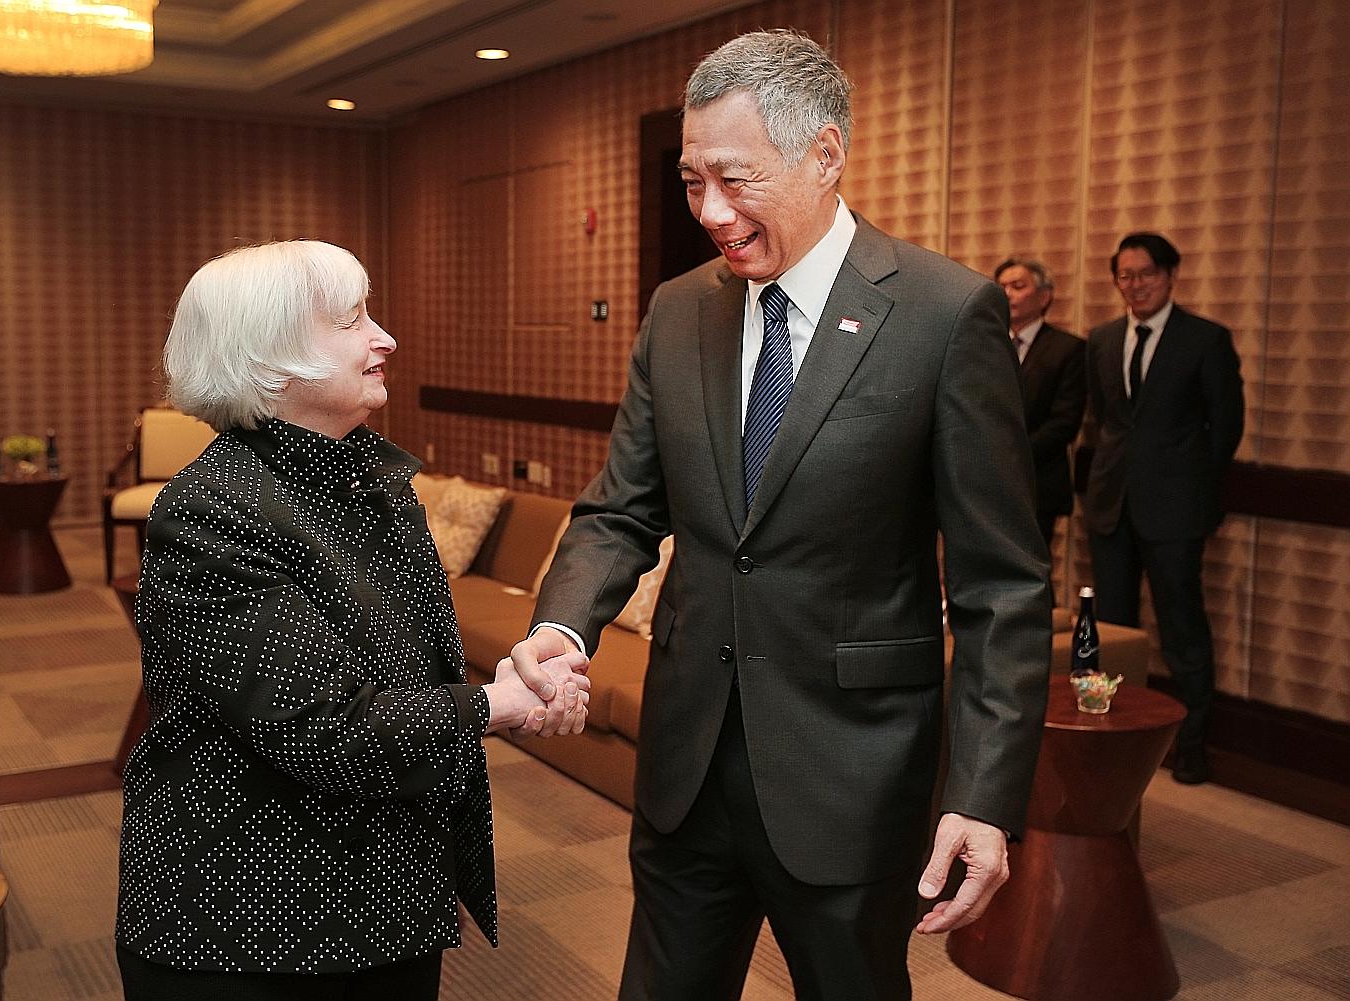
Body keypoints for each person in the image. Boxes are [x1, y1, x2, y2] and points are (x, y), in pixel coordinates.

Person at [510, 30, 1051, 1001]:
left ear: (825, 154)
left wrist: (983, 795)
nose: (711, 212)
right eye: (690, 182)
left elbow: (1001, 585)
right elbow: (619, 510)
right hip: (685, 768)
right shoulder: (678, 311)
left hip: (851, 775)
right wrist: (560, 624)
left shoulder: (942, 314)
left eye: (734, 179)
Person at [115, 240, 590, 1000]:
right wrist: (496, 705)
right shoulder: (213, 509)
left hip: (384, 896)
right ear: (271, 357)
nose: (385, 339)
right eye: (351, 321)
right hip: (252, 924)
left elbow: (406, 667)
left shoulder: (371, 476)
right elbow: (326, 731)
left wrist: (507, 676)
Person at [1085, 232, 1244, 785]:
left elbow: (1225, 431)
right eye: (1125, 276)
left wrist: (1195, 491)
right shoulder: (1103, 339)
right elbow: (1102, 420)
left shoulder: (1205, 340)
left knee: (1181, 627)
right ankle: (1112, 738)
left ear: (1170, 275)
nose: (1135, 286)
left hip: (1176, 511)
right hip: (1111, 506)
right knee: (1112, 629)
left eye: (1146, 274)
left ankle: (1194, 745)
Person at [994, 257, 1086, 547]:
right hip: (985, 482)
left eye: (1018, 286)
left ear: (1044, 296)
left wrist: (1009, 455)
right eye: (1001, 287)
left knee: (1031, 572)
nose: (1007, 293)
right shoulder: (986, 344)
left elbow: (1064, 422)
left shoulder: (1067, 348)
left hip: (1037, 481)